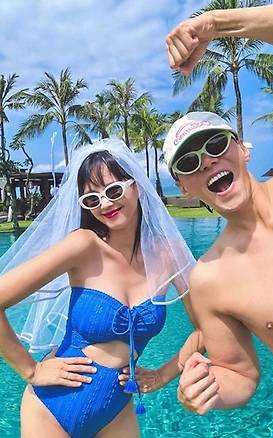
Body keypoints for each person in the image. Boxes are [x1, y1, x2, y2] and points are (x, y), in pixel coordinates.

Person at [164, 2, 273, 437]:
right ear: (184, 186)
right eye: (190, 162)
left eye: (216, 145)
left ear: (242, 149)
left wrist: (215, 25)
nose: (208, 161)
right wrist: (208, 388)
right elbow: (239, 374)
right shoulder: (210, 279)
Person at [0, 139, 200, 438]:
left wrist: (163, 374)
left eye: (114, 190)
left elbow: (207, 327)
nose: (105, 204)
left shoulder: (168, 253)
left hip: (116, 410)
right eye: (91, 199)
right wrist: (32, 370)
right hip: (52, 407)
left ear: (137, 187)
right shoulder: (83, 245)